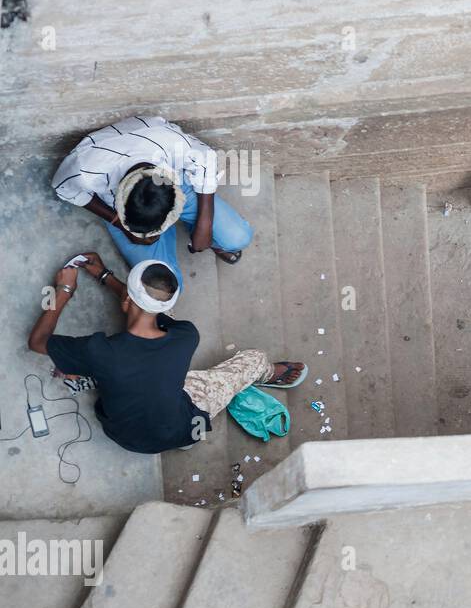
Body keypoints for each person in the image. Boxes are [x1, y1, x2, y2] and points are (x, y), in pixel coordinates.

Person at [27, 252, 307, 455]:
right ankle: (267, 373)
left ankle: (87, 374)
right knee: (256, 359)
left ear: (127, 299)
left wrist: (64, 290)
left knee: (103, 370)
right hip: (180, 429)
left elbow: (38, 341)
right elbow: (153, 310)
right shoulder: (186, 336)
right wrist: (106, 276)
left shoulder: (98, 351)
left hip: (120, 433)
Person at [50, 116, 253, 292]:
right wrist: (120, 224)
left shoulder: (172, 143)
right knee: (163, 287)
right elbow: (64, 188)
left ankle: (203, 234)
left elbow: (205, 159)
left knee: (238, 238)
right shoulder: (84, 169)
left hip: (173, 179)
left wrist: (205, 224)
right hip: (120, 203)